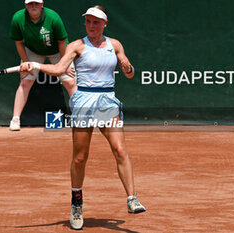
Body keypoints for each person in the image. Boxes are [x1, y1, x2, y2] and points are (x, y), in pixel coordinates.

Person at [20, 5, 146, 230]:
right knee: (80, 158)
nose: (91, 26)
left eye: (96, 22)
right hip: (84, 102)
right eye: (88, 22)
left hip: (107, 101)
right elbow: (59, 69)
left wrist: (129, 68)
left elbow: (129, 71)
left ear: (104, 24)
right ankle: (76, 205)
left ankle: (132, 198)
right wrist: (37, 64)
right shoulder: (77, 46)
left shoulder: (115, 45)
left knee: (120, 150)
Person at [9, 0, 76, 131]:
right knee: (25, 82)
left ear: (42, 4)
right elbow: (19, 42)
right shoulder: (18, 18)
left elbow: (62, 42)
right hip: (32, 51)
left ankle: (80, 118)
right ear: (25, 5)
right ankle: (15, 119)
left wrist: (64, 63)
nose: (33, 6)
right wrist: (26, 62)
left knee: (71, 83)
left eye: (36, 3)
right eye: (30, 4)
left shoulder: (53, 17)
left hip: (58, 51)